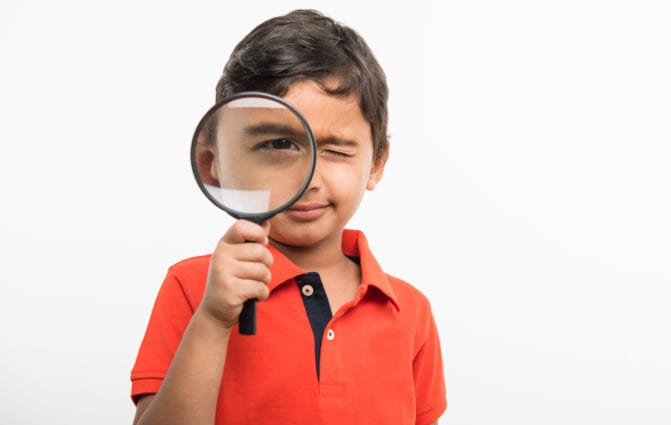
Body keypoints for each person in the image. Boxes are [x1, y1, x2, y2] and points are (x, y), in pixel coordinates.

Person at [130, 9, 446, 425]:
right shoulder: (193, 288)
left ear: (376, 163)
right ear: (212, 164)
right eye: (280, 144)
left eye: (335, 149)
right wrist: (212, 320)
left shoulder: (410, 310)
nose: (309, 178)